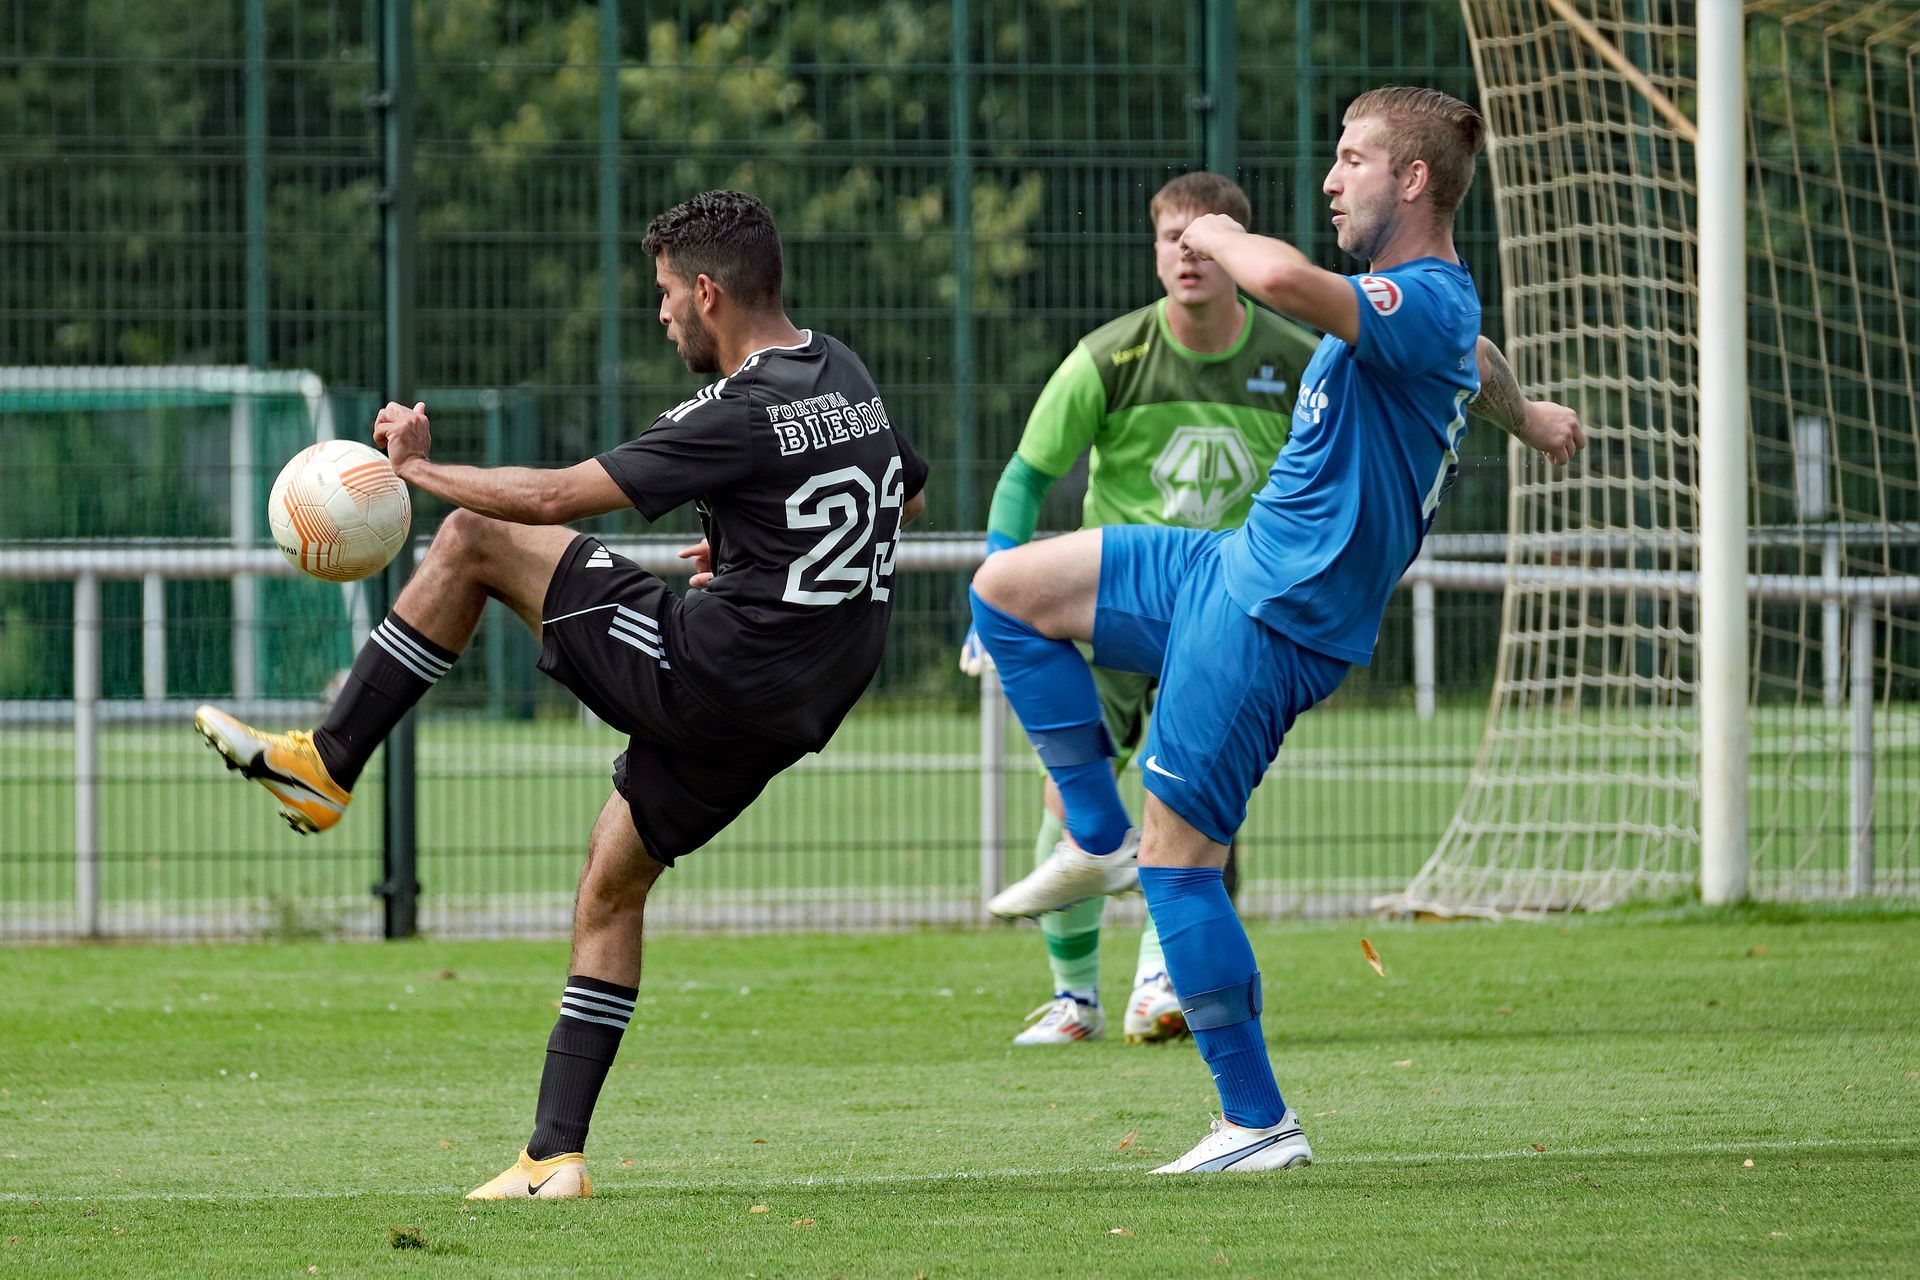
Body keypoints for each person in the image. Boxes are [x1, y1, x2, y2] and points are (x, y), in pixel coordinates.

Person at [193, 190, 928, 1199]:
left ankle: (327, 762)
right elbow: (902, 491)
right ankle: (553, 1155)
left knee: (473, 541)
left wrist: (417, 469)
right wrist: (768, 550)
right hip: (798, 702)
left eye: (664, 293)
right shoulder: (844, 374)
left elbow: (548, 499)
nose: (660, 312)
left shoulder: (735, 409)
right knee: (612, 880)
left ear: (707, 292)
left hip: (713, 672)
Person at [969, 88, 1584, 1173]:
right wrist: (1529, 417)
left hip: (1272, 615)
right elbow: (1481, 361)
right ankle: (1095, 834)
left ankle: (1256, 1122)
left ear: (1414, 180)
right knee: (1006, 587)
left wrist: (1211, 230)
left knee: (1181, 868)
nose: (1331, 179)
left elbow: (1293, 283)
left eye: (1353, 159)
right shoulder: (1429, 309)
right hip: (1227, 564)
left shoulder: (1420, 298)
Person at [965, 172, 1319, 1048]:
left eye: (1206, 241)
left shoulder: (1299, 357)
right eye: (1172, 240)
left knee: (1197, 802)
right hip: (1120, 608)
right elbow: (1025, 477)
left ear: (1242, 251)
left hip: (1233, 613)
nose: (1188, 257)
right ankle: (1074, 1001)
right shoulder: (1109, 356)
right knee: (1067, 796)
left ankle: (1163, 986)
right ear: (1155, 252)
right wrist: (998, 583)